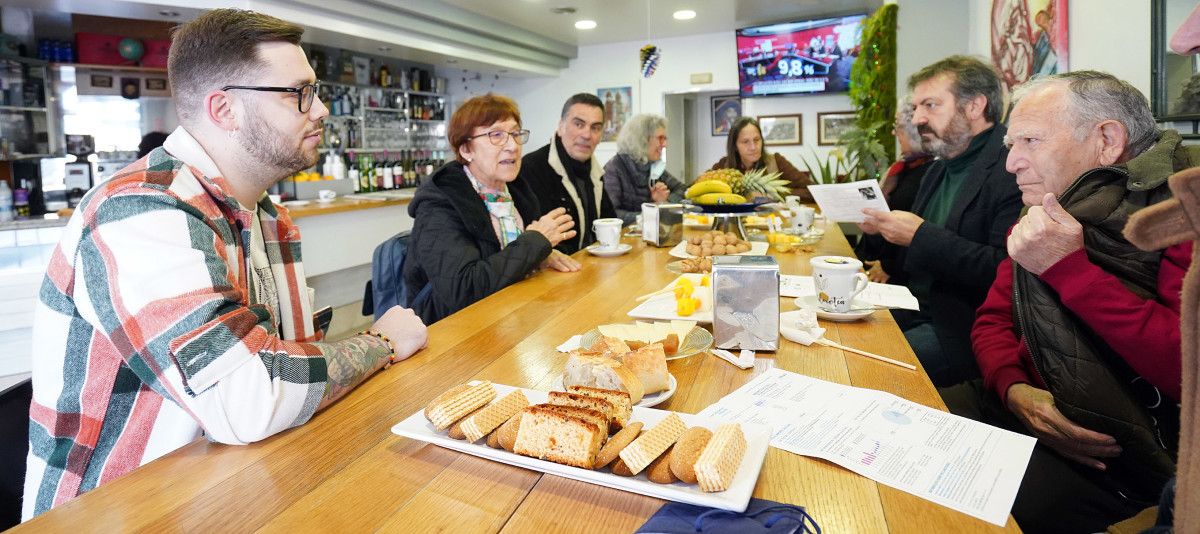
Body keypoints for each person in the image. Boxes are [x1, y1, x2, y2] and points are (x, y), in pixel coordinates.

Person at [22, 9, 428, 520]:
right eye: (298, 93)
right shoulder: (140, 210)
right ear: (224, 109)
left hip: (236, 485)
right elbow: (250, 399)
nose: (321, 109)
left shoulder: (262, 215)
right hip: (124, 513)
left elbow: (288, 368)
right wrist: (381, 342)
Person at [943, 71, 1197, 534]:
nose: (1011, 164)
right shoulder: (1049, 205)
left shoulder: (1182, 211)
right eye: (1010, 145)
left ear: (1106, 140)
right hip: (1016, 405)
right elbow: (993, 318)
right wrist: (1014, 389)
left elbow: (1188, 370)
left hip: (1115, 458)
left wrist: (1068, 268)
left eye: (1031, 141)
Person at [859, 56, 1023, 387]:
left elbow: (1007, 270)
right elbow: (902, 259)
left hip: (960, 326)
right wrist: (880, 233)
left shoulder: (1013, 168)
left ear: (975, 106)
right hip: (910, 305)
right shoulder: (937, 169)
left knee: (862, 375)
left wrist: (920, 235)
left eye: (930, 105)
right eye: (918, 107)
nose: (918, 118)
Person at [403, 94, 579, 325]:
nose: (512, 146)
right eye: (496, 135)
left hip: (510, 316)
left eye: (515, 134)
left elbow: (512, 256)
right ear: (466, 149)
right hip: (453, 333)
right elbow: (462, 290)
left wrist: (541, 255)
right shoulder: (440, 204)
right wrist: (534, 243)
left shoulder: (515, 190)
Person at [516, 93, 616, 255]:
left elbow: (609, 221)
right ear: (561, 126)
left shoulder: (595, 173)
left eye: (595, 128)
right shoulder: (531, 169)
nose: (587, 135)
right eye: (579, 124)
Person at [853, 100, 934, 286]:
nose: (893, 132)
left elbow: (921, 231)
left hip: (903, 278)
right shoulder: (900, 169)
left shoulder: (932, 170)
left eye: (897, 126)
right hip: (878, 264)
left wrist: (889, 267)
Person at [604, 113, 686, 224]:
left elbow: (684, 190)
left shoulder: (652, 166)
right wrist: (652, 211)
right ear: (642, 139)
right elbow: (611, 214)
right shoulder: (613, 169)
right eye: (660, 138)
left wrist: (664, 201)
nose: (665, 144)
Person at [709, 117, 814, 202]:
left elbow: (813, 192)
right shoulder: (724, 166)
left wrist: (774, 195)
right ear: (735, 146)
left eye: (756, 140)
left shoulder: (776, 162)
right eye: (745, 142)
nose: (753, 147)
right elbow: (696, 188)